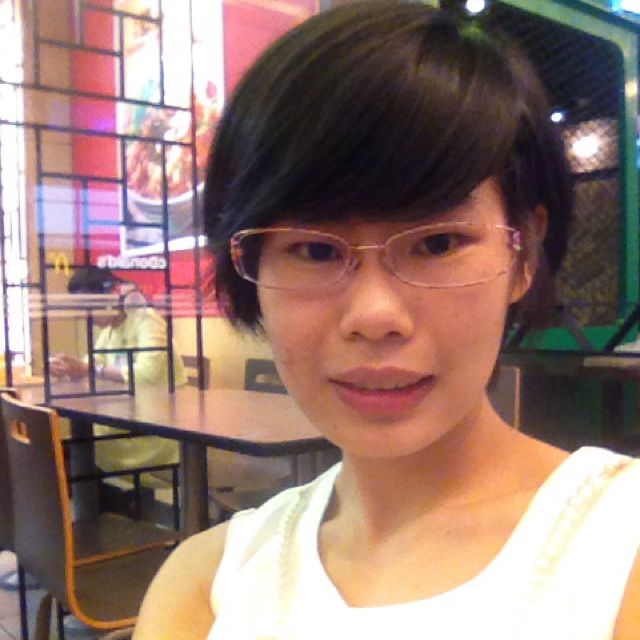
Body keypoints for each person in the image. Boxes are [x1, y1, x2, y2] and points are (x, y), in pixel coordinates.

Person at [134, 3, 640, 638]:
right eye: (314, 250)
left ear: (524, 254)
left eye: (437, 244)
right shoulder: (208, 585)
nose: (375, 316)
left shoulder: (618, 547)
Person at [50, 266, 187, 474]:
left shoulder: (146, 319)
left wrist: (88, 368)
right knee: (71, 449)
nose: (87, 316)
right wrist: (69, 368)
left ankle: (94, 486)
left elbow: (146, 373)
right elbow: (92, 363)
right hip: (128, 417)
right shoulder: (111, 330)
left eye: (89, 307)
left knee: (77, 450)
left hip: (155, 428)